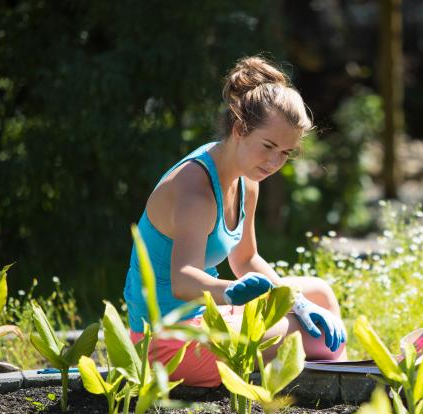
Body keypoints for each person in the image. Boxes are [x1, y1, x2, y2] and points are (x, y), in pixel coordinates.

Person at [123, 56, 347, 387]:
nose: (274, 161)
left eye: (285, 152)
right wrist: (231, 292)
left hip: (206, 319)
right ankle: (333, 388)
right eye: (268, 146)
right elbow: (183, 282)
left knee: (319, 296)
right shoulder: (195, 189)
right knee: (323, 338)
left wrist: (295, 300)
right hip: (165, 344)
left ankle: (328, 380)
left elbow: (245, 259)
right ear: (240, 129)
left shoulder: (247, 178)